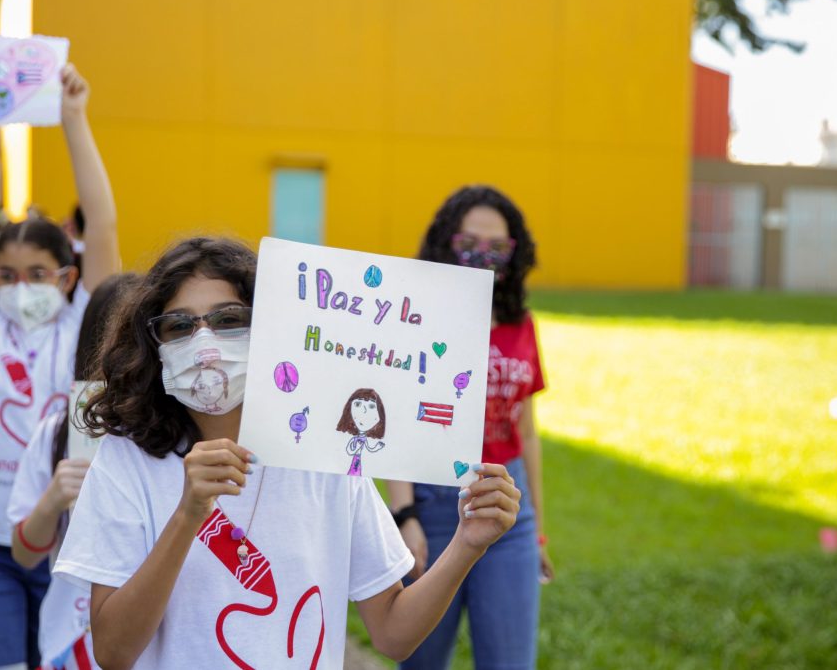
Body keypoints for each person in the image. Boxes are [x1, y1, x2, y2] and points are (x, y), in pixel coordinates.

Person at [53, 236, 522, 669]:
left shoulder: (325, 455)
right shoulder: (126, 462)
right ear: (154, 346)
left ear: (273, 326)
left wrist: (466, 544)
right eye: (179, 326)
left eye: (229, 319)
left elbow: (393, 634)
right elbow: (112, 652)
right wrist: (187, 515)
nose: (206, 344)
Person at [0, 54, 120, 670]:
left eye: (37, 274)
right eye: (6, 274)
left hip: (72, 547)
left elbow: (104, 219)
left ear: (67, 277)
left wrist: (73, 118)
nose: (19, 287)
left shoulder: (88, 323)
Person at [387, 185, 552, 670]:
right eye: (470, 244)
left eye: (497, 246)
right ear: (446, 244)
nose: (484, 256)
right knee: (421, 658)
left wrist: (538, 527)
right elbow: (393, 417)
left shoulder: (520, 323)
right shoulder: (415, 317)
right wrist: (405, 514)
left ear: (513, 253)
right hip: (435, 505)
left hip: (508, 504)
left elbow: (529, 426)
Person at [7, 273, 136, 669]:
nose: (131, 359)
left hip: (148, 641)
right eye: (118, 343)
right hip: (71, 637)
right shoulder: (56, 435)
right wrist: (52, 501)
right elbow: (23, 555)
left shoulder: (181, 441)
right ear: (92, 347)